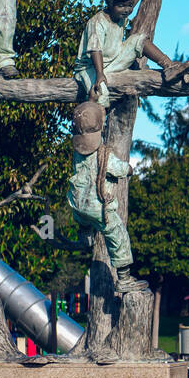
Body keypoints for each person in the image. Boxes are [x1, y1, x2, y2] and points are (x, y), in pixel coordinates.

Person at [73, 0, 189, 107]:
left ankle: (168, 66)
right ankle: (93, 118)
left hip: (114, 60)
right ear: (110, 3)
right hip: (92, 68)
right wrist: (100, 74)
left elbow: (128, 4)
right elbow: (96, 50)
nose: (126, 10)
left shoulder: (120, 15)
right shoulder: (97, 22)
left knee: (139, 40)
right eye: (121, 6)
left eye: (129, 6)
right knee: (101, 94)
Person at [67, 101, 144, 294]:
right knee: (118, 235)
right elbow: (120, 169)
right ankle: (124, 278)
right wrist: (129, 169)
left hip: (76, 205)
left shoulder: (78, 154)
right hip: (97, 208)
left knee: (84, 218)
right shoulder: (104, 155)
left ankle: (85, 234)